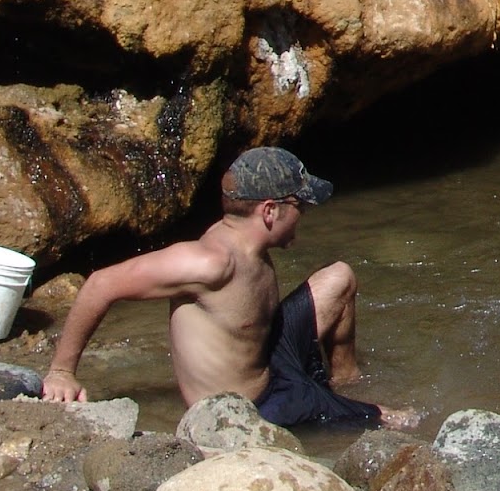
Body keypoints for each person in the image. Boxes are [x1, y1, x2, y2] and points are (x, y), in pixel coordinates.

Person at [40, 146, 417, 430]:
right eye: (299, 207)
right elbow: (101, 284)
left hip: (272, 360)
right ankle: (356, 408)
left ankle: (345, 382)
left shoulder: (251, 247)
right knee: (395, 420)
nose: (303, 216)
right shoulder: (210, 262)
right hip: (253, 408)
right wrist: (61, 371)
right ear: (269, 211)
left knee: (339, 278)